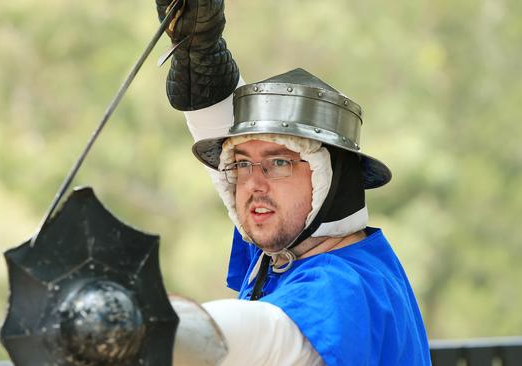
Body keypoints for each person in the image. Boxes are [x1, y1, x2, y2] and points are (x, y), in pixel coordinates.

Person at [156, 0, 431, 364]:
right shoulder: (289, 248)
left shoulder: (343, 285)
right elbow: (224, 134)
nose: (253, 183)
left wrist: (140, 324)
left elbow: (266, 334)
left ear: (330, 184)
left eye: (279, 162)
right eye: (241, 165)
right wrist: (201, 52)